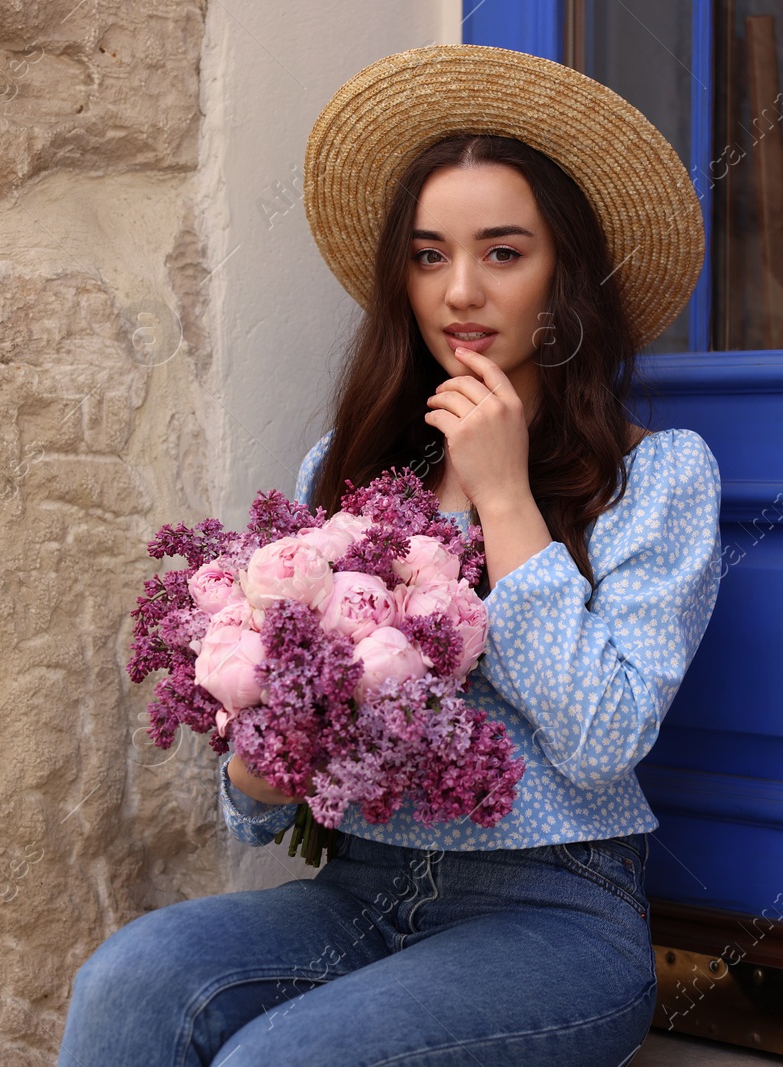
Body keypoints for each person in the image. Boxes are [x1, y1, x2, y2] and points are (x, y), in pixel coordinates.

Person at [58, 44, 720, 1066]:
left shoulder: (658, 477)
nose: (460, 289)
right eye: (427, 255)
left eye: (503, 252)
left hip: (557, 914)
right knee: (129, 979)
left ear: (564, 276)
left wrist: (504, 494)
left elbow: (603, 735)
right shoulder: (351, 463)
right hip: (357, 885)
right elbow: (252, 812)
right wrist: (260, 742)